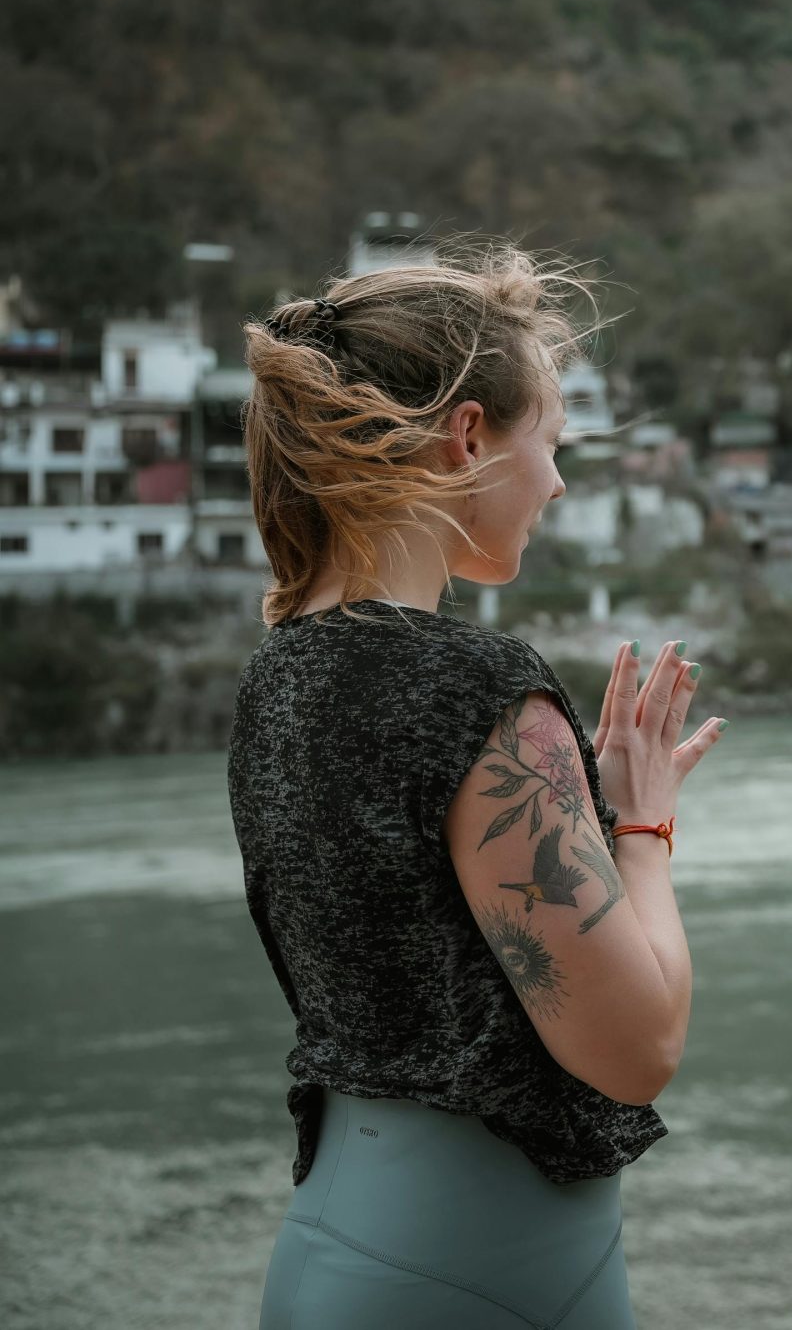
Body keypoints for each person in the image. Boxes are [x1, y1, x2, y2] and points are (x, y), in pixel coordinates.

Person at [226, 243, 728, 1328]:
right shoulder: (473, 688)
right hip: (489, 1278)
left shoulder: (277, 682)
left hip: (333, 1242)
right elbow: (636, 1050)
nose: (554, 480)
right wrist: (640, 822)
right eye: (547, 443)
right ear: (467, 438)